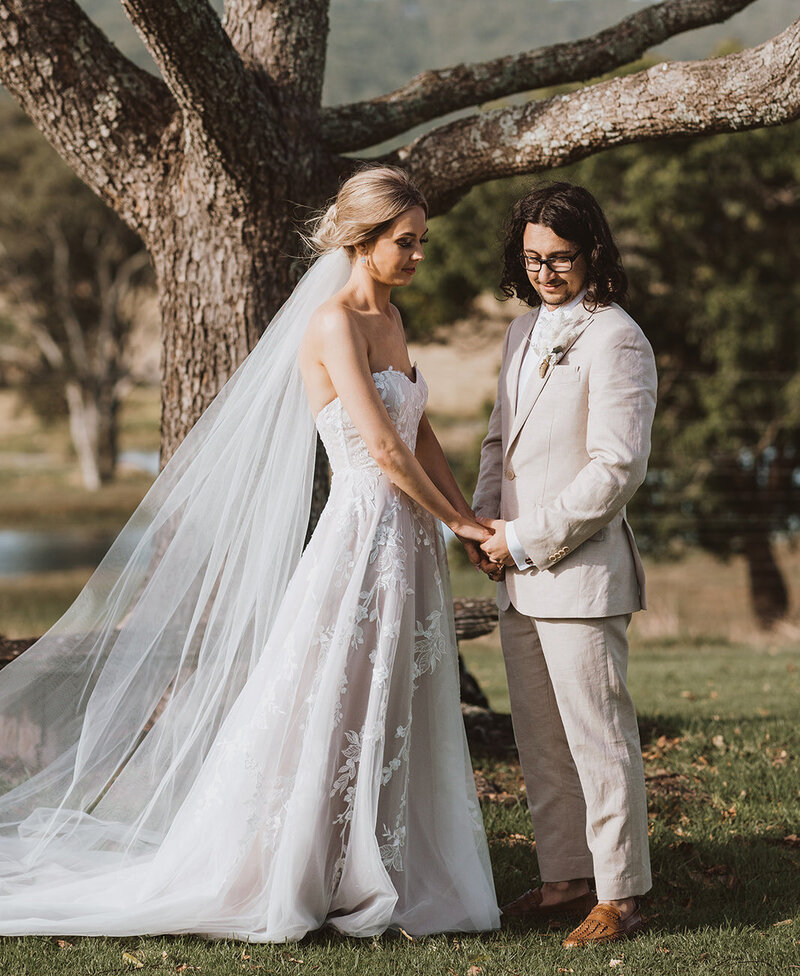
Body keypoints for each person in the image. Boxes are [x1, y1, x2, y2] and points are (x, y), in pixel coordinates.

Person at [0, 166, 500, 941]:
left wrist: (464, 514)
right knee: (333, 696)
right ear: (362, 242)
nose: (418, 256)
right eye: (406, 243)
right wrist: (460, 529)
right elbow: (380, 449)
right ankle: (299, 865)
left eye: (422, 242)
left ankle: (375, 862)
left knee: (389, 697)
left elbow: (420, 431)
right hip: (362, 535)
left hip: (405, 542)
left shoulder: (394, 321)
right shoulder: (333, 323)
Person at [474, 182, 657, 948]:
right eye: (533, 258)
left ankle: (622, 893)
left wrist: (524, 538)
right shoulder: (520, 332)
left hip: (577, 574)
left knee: (598, 738)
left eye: (562, 258)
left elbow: (617, 469)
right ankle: (564, 879)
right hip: (515, 569)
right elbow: (498, 442)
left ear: (593, 254)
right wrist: (484, 523)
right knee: (540, 740)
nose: (547, 272)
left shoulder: (616, 337)